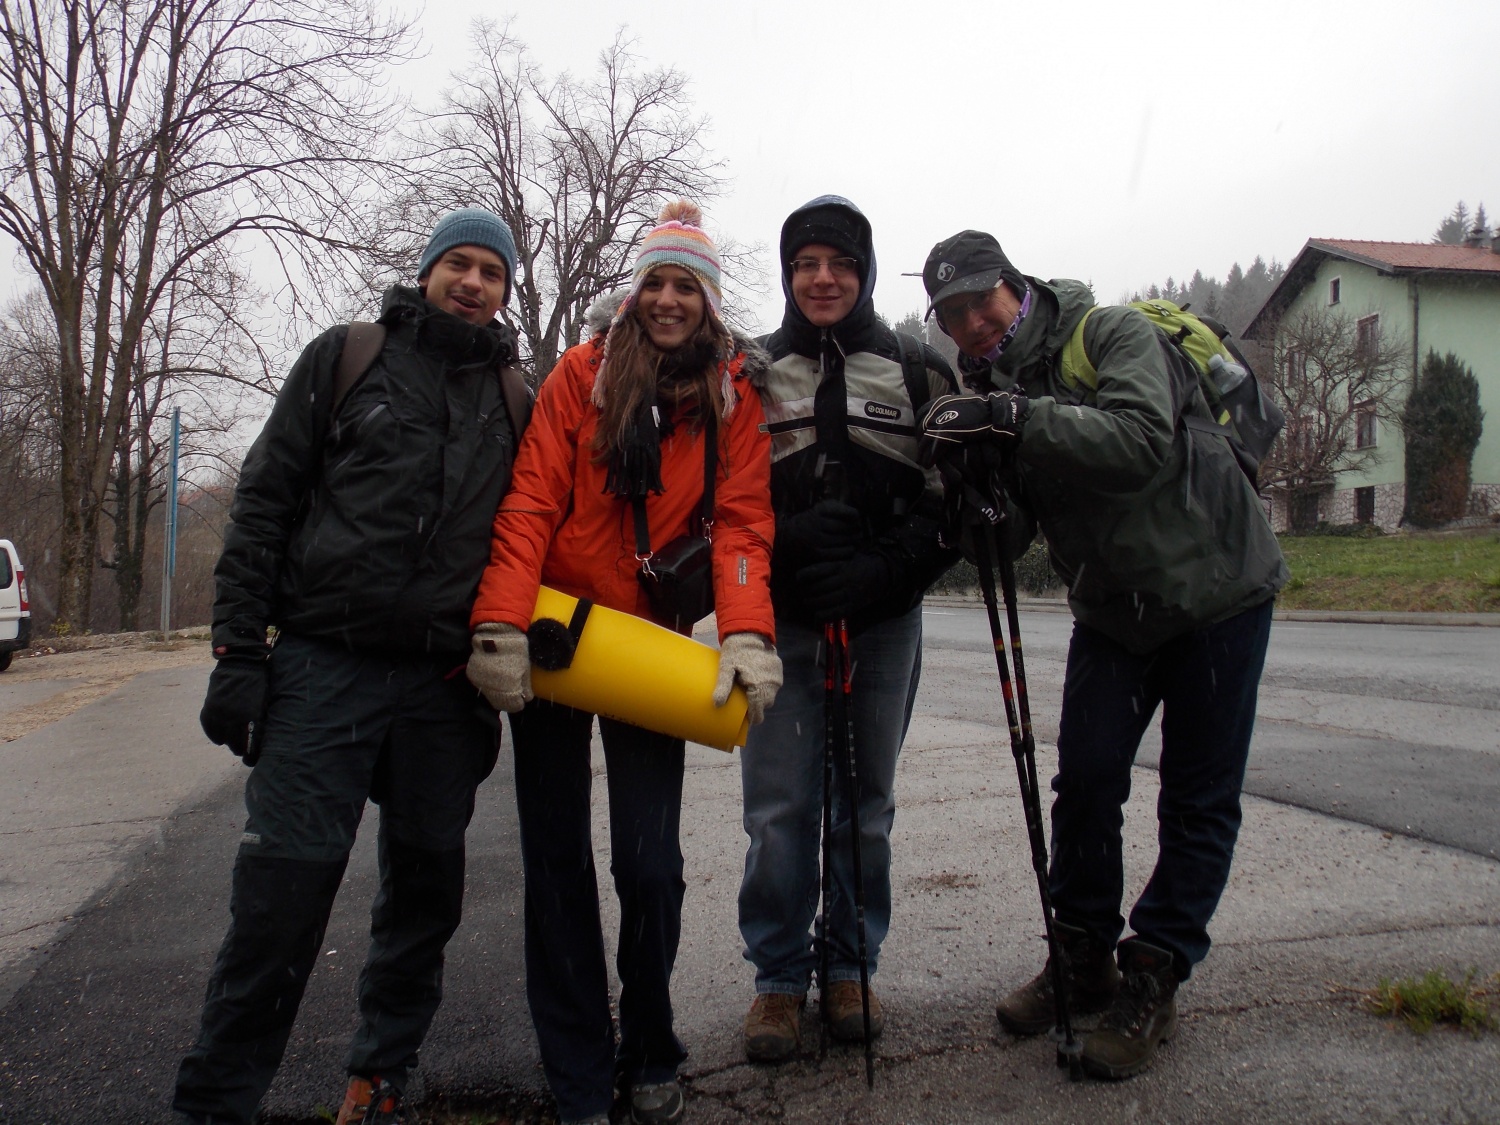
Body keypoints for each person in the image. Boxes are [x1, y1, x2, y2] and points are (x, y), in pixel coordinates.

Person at [174, 208, 527, 1125]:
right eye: (460, 263)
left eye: (493, 270)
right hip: (322, 672)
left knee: (423, 900)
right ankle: (214, 1102)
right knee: (279, 903)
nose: (475, 282)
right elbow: (264, 504)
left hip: (442, 692)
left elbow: (534, 535)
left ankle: (379, 1078)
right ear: (426, 270)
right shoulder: (348, 356)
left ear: (505, 291)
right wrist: (236, 653)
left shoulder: (515, 398)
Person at [918, 230, 1288, 1080]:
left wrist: (1017, 420)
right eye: (951, 314)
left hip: (1219, 591)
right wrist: (968, 495)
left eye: (983, 301)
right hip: (1116, 611)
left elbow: (1137, 442)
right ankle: (1082, 957)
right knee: (1084, 779)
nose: (971, 323)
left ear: (1015, 286)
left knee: (1197, 799)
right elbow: (1011, 542)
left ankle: (1153, 970)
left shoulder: (1111, 333)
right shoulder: (990, 389)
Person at [464, 200, 781, 1125]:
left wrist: (750, 630)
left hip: (645, 651)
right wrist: (499, 623)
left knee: (649, 866)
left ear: (710, 302)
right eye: (657, 283)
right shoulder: (582, 373)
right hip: (559, 634)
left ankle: (651, 1041)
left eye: (688, 286)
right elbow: (529, 502)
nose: (670, 300)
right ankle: (575, 1071)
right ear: (634, 291)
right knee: (555, 862)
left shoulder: (733, 393)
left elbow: (745, 522)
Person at [736, 195, 958, 1063]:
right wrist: (781, 554)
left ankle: (851, 965)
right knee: (781, 808)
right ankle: (779, 982)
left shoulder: (915, 369)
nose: (822, 279)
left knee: (864, 806)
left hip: (884, 622)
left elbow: (950, 501)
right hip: (781, 621)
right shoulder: (751, 370)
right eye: (804, 264)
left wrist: (889, 567)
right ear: (788, 274)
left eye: (839, 262)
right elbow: (719, 495)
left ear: (864, 271)